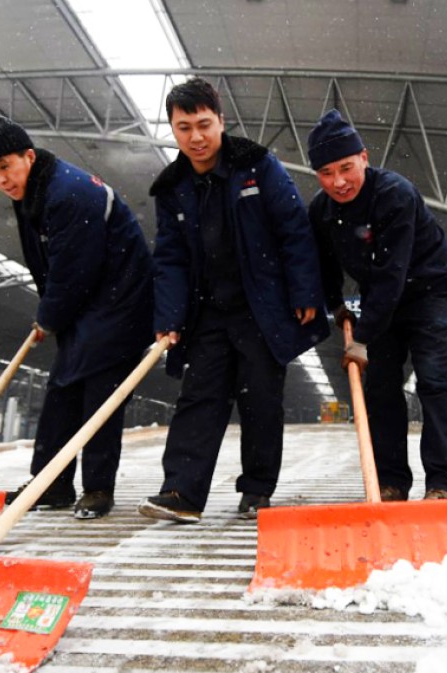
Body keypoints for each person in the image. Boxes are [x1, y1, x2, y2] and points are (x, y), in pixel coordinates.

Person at [138, 78, 329, 524]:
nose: (196, 137)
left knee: (260, 399)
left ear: (221, 121)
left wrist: (303, 291)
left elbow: (293, 230)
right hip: (207, 312)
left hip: (261, 308)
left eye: (204, 124)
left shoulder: (256, 166)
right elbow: (169, 259)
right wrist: (168, 315)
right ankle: (182, 490)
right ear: (173, 129)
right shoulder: (172, 187)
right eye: (184, 127)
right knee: (198, 397)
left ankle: (257, 489)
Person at [0, 111, 154, 519]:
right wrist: (51, 313)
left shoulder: (67, 193)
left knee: (100, 393)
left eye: (5, 166)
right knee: (62, 392)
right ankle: (51, 484)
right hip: (89, 301)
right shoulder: (30, 192)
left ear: (28, 157)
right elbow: (47, 265)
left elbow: (75, 269)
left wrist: (49, 316)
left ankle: (98, 488)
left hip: (121, 301)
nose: (0, 178)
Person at [307, 109, 447, 501]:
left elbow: (392, 274)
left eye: (346, 167)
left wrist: (360, 338)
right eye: (327, 173)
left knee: (434, 380)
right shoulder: (321, 211)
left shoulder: (393, 194)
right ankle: (391, 481)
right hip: (381, 298)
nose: (339, 181)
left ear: (364, 157)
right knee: (380, 388)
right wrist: (336, 307)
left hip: (429, 291)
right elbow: (324, 264)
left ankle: (446, 483)